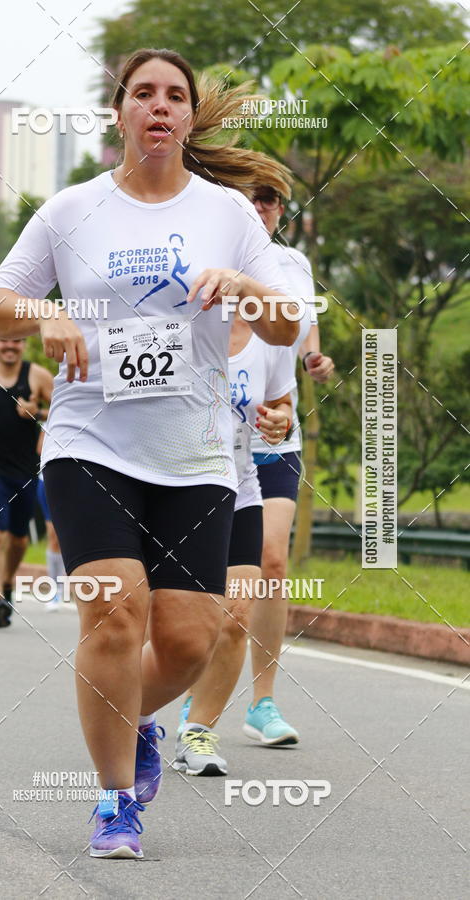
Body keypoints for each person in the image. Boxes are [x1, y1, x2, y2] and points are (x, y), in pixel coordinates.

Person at [0, 48, 299, 859]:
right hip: (89, 447)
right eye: (143, 94)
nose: (159, 106)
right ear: (119, 113)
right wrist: (40, 317)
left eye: (175, 96)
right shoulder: (70, 210)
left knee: (191, 640)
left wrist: (241, 284)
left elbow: (288, 323)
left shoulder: (226, 213)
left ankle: (135, 724)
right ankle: (116, 800)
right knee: (117, 616)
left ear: (190, 118)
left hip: (193, 454)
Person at [172, 304, 295, 775]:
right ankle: (141, 720)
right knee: (177, 625)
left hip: (240, 486)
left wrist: (279, 421)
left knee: (237, 614)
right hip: (173, 488)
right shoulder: (173, 318)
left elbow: (281, 405)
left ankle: (199, 732)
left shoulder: (272, 335)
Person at [243, 185, 335, 744]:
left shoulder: (293, 264)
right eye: (251, 196)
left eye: (271, 198)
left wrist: (313, 360)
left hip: (278, 433)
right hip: (208, 439)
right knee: (214, 579)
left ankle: (263, 702)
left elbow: (305, 333)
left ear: (282, 209)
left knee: (271, 563)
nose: (261, 206)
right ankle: (192, 701)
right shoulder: (212, 258)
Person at [0, 337, 52, 627]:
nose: (10, 346)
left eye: (16, 341)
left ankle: (7, 582)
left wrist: (39, 412)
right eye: (4, 341)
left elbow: (67, 408)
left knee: (19, 539)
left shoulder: (37, 376)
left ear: (23, 346)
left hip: (24, 469)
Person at [36, 430, 64, 611]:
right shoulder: (49, 419)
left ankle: (63, 587)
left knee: (64, 538)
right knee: (53, 536)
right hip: (47, 480)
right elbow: (40, 449)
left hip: (72, 480)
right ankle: (55, 591)